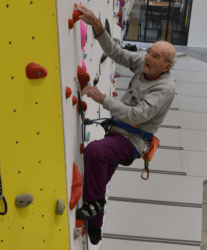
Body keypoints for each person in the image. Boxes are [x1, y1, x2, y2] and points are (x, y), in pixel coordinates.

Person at [75, 3, 177, 245]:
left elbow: (135, 115)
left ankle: (95, 203)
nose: (148, 58)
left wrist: (103, 99)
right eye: (150, 52)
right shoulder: (145, 65)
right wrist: (98, 27)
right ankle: (95, 228)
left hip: (133, 140)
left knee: (95, 152)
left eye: (155, 56)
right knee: (99, 178)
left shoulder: (164, 88)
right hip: (118, 131)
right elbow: (117, 53)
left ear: (166, 66)